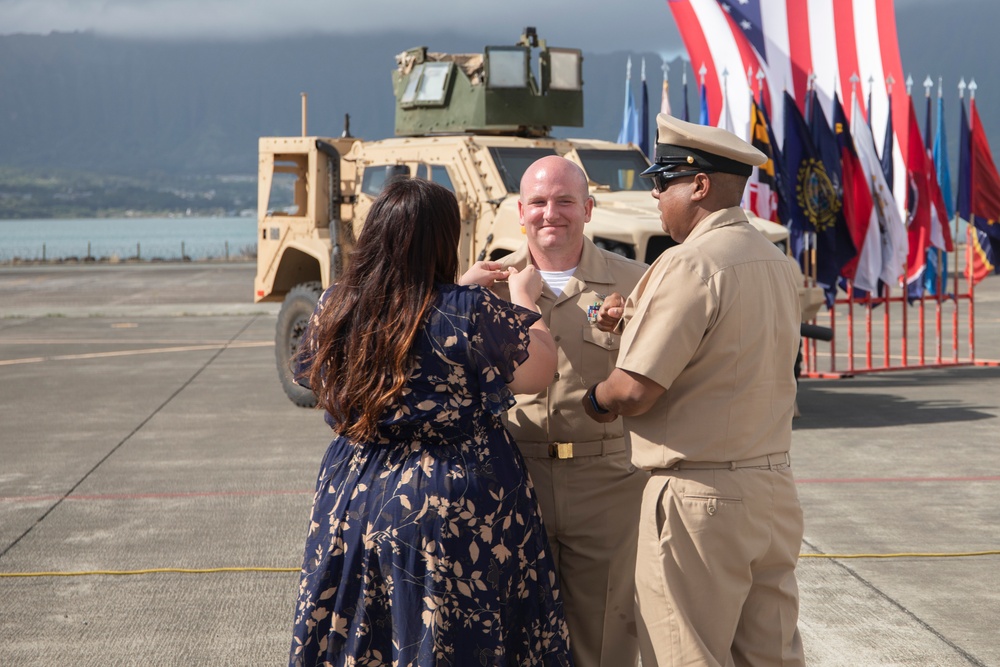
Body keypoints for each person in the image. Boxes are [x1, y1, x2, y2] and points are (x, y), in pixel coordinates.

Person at [288, 178, 574, 666]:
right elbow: (537, 372)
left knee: (364, 622)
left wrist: (456, 291)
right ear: (443, 241)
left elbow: (318, 376)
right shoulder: (469, 311)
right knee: (451, 633)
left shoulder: (335, 303)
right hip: (448, 498)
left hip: (355, 491)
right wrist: (525, 301)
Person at [582, 115, 806, 667]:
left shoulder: (688, 262)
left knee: (686, 654)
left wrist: (595, 399)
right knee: (769, 655)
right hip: (770, 488)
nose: (655, 195)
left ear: (699, 185)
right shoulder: (776, 262)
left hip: (697, 499)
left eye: (662, 182)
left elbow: (634, 391)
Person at [487, 156, 649, 667]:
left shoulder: (639, 283)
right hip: (514, 478)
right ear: (520, 211)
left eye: (564, 201)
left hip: (606, 482)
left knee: (605, 634)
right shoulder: (487, 287)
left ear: (589, 209)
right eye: (537, 202)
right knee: (507, 632)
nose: (549, 213)